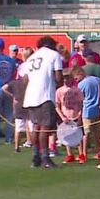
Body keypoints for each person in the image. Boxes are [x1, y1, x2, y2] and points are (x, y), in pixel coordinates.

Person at [21, 36, 64, 169]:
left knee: (36, 127)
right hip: (45, 95)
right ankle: (45, 158)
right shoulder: (54, 55)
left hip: (31, 95)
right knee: (45, 127)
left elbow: (25, 80)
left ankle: (36, 157)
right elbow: (58, 77)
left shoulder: (31, 58)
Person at [55, 67, 85, 164]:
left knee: (78, 135)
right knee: (66, 136)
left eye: (68, 78)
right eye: (64, 78)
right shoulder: (59, 91)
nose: (66, 80)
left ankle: (81, 154)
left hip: (76, 115)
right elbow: (57, 105)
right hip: (65, 117)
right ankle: (69, 154)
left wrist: (80, 116)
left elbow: (81, 104)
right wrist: (62, 117)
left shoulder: (76, 90)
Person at [76, 65, 100, 163]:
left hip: (87, 111)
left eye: (76, 77)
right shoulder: (97, 80)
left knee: (86, 133)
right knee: (97, 133)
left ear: (80, 73)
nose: (76, 80)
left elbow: (80, 99)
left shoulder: (81, 84)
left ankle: (84, 154)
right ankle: (99, 152)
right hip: (97, 109)